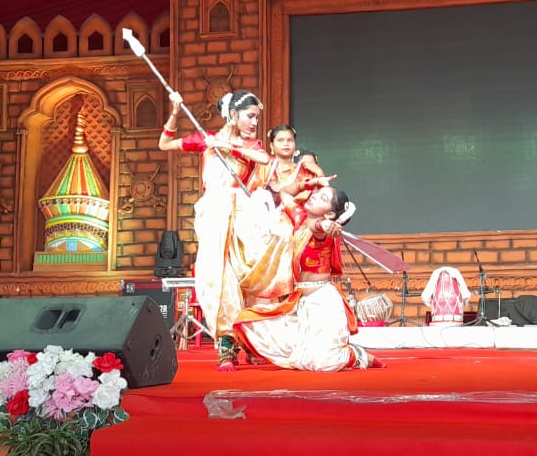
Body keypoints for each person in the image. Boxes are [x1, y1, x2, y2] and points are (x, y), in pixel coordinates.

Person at [159, 90, 290, 369]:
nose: (254, 122)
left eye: (257, 117)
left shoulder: (251, 145)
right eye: (250, 116)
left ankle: (253, 341)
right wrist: (175, 112)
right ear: (233, 114)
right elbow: (165, 143)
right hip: (214, 214)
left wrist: (226, 146)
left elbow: (264, 160)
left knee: (249, 274)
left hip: (244, 215)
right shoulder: (205, 139)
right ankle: (227, 343)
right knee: (220, 277)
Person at [233, 184, 383, 372]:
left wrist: (325, 225)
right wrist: (310, 183)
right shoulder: (299, 217)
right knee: (250, 322)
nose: (314, 196)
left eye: (323, 198)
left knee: (324, 363)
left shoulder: (322, 231)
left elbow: (317, 227)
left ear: (329, 214)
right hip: (300, 302)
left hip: (323, 303)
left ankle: (357, 354)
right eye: (317, 193)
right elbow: (284, 192)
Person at [255, 124, 325, 203]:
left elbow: (314, 200)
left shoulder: (303, 171)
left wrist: (320, 173)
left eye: (290, 140)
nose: (286, 143)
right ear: (271, 146)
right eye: (280, 140)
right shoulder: (262, 166)